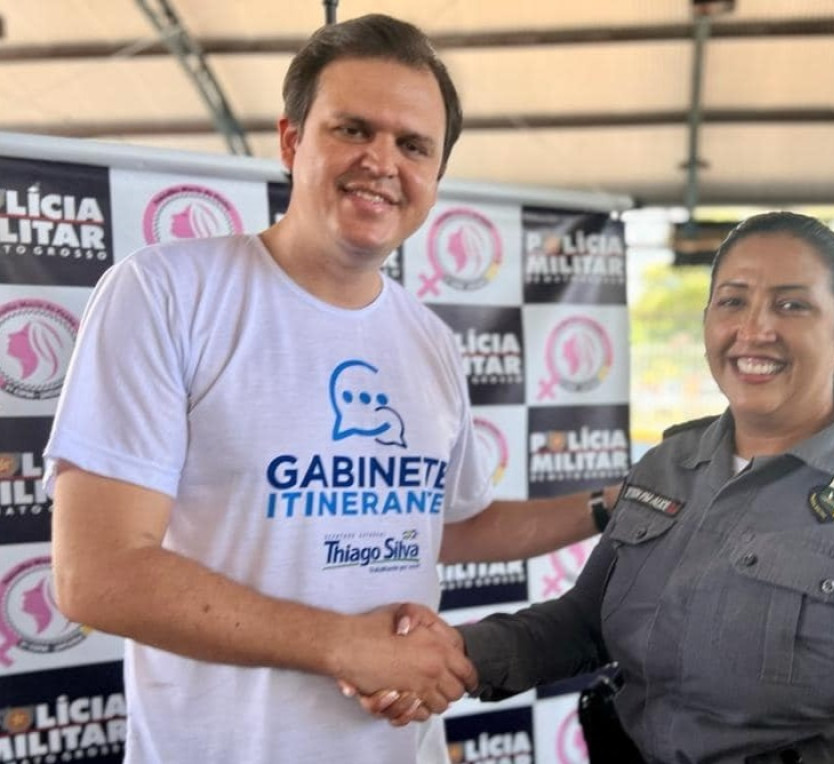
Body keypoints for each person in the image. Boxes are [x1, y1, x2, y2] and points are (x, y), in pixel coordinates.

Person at [44, 14, 617, 764]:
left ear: (436, 175)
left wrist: (613, 505)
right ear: (291, 140)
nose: (382, 161)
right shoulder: (166, 293)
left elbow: (449, 525)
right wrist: (343, 645)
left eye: (414, 145)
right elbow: (97, 575)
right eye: (353, 130)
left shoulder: (431, 341)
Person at [372, 212, 834, 762]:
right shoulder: (668, 465)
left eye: (792, 304)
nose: (754, 329)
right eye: (732, 301)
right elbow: (582, 624)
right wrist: (456, 654)